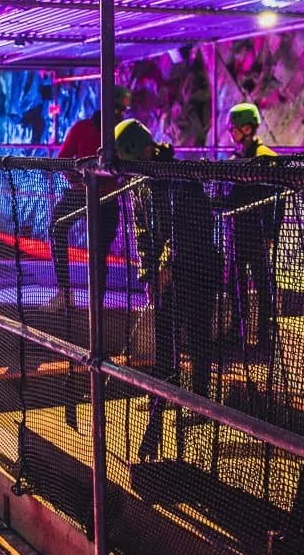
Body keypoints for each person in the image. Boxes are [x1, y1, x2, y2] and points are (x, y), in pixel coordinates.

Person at [115, 119, 223, 460]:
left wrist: (170, 265)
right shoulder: (139, 183)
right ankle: (163, 395)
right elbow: (144, 232)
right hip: (167, 272)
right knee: (165, 337)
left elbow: (191, 227)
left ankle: (201, 402)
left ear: (148, 150)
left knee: (198, 333)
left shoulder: (179, 179)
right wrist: (150, 273)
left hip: (196, 266)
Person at [48, 86, 126, 310]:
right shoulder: (85, 129)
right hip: (84, 194)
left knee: (98, 251)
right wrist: (77, 181)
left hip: (105, 199)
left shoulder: (118, 133)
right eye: (118, 109)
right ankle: (66, 292)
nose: (120, 113)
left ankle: (95, 305)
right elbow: (64, 160)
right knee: (57, 228)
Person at [223, 102, 283, 350]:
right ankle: (238, 332)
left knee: (262, 283)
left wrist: (271, 233)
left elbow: (275, 201)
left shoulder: (265, 159)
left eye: (234, 128)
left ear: (247, 128)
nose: (230, 132)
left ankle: (264, 337)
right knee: (236, 282)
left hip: (256, 230)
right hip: (240, 228)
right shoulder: (238, 159)